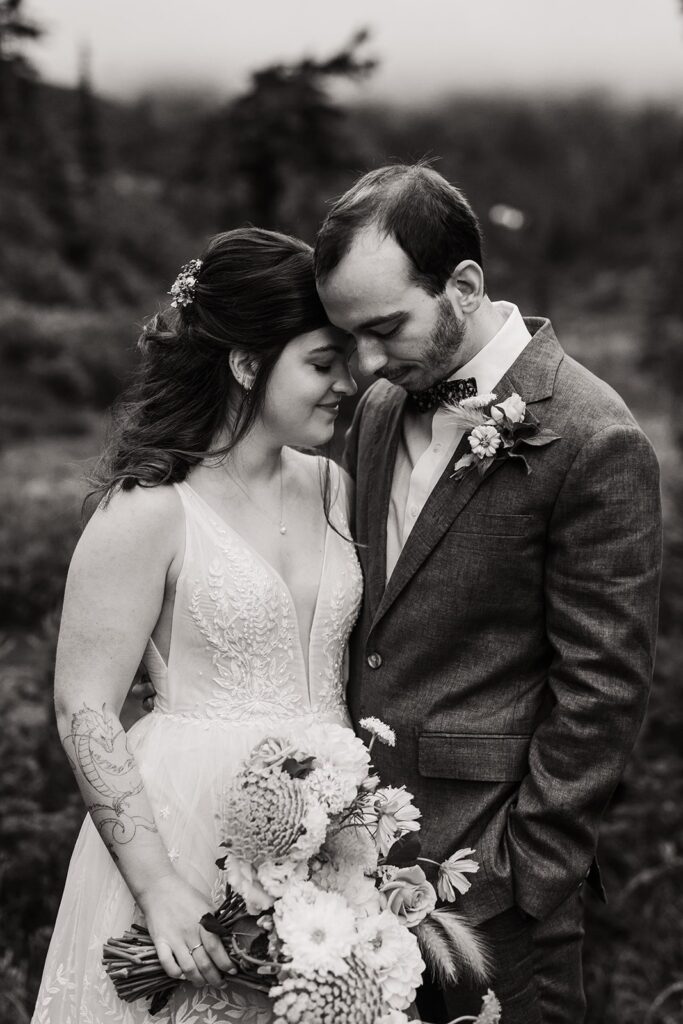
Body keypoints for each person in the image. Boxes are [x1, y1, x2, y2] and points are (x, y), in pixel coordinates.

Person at [314, 163, 663, 1024]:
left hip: (495, 893)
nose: (363, 364)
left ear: (463, 286)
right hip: (349, 875)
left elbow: (603, 689)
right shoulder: (382, 408)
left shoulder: (593, 436)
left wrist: (518, 875)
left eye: (384, 328)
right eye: (347, 336)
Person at [31, 228, 360, 1024]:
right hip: (186, 829)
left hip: (334, 835)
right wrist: (159, 887)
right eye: (322, 363)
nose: (348, 383)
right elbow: (85, 710)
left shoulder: (333, 487)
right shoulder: (146, 511)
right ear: (246, 363)